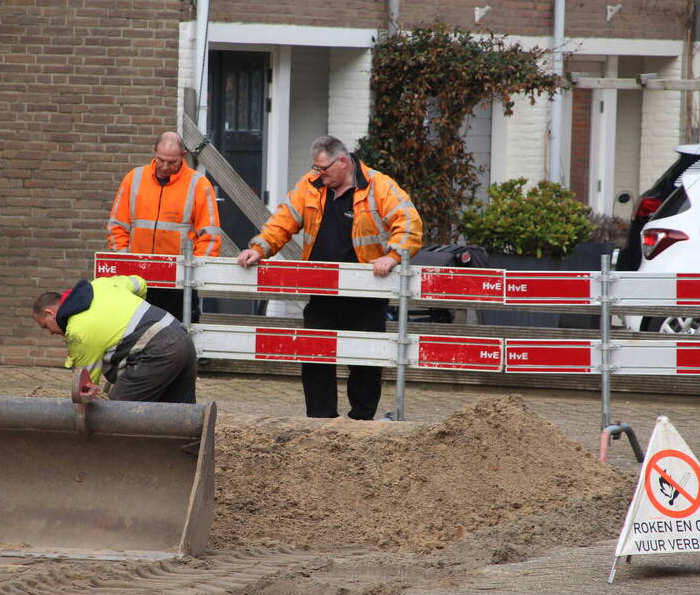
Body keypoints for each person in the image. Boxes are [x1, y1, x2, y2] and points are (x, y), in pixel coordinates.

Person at [236, 135, 422, 420]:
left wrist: (393, 256)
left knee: (365, 357)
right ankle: (321, 418)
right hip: (320, 288)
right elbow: (283, 220)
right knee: (315, 354)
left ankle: (361, 418)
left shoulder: (378, 186)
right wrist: (260, 247)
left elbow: (409, 223)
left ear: (344, 162)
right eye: (316, 169)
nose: (319, 175)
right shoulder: (311, 186)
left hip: (365, 292)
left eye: (324, 169)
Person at [105, 131, 222, 323]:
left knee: (178, 337)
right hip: (138, 278)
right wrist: (125, 262)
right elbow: (117, 226)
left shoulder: (198, 184)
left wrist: (194, 273)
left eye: (172, 162)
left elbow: (209, 235)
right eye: (161, 160)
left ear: (183, 156)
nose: (165, 166)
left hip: (179, 282)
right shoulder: (134, 178)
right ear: (154, 152)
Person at [32, 274, 196, 403]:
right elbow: (139, 283)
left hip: (158, 352)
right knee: (182, 415)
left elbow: (86, 385)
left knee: (116, 414)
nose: (50, 333)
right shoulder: (102, 285)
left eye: (45, 326)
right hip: (181, 335)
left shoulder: (78, 331)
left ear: (50, 313)